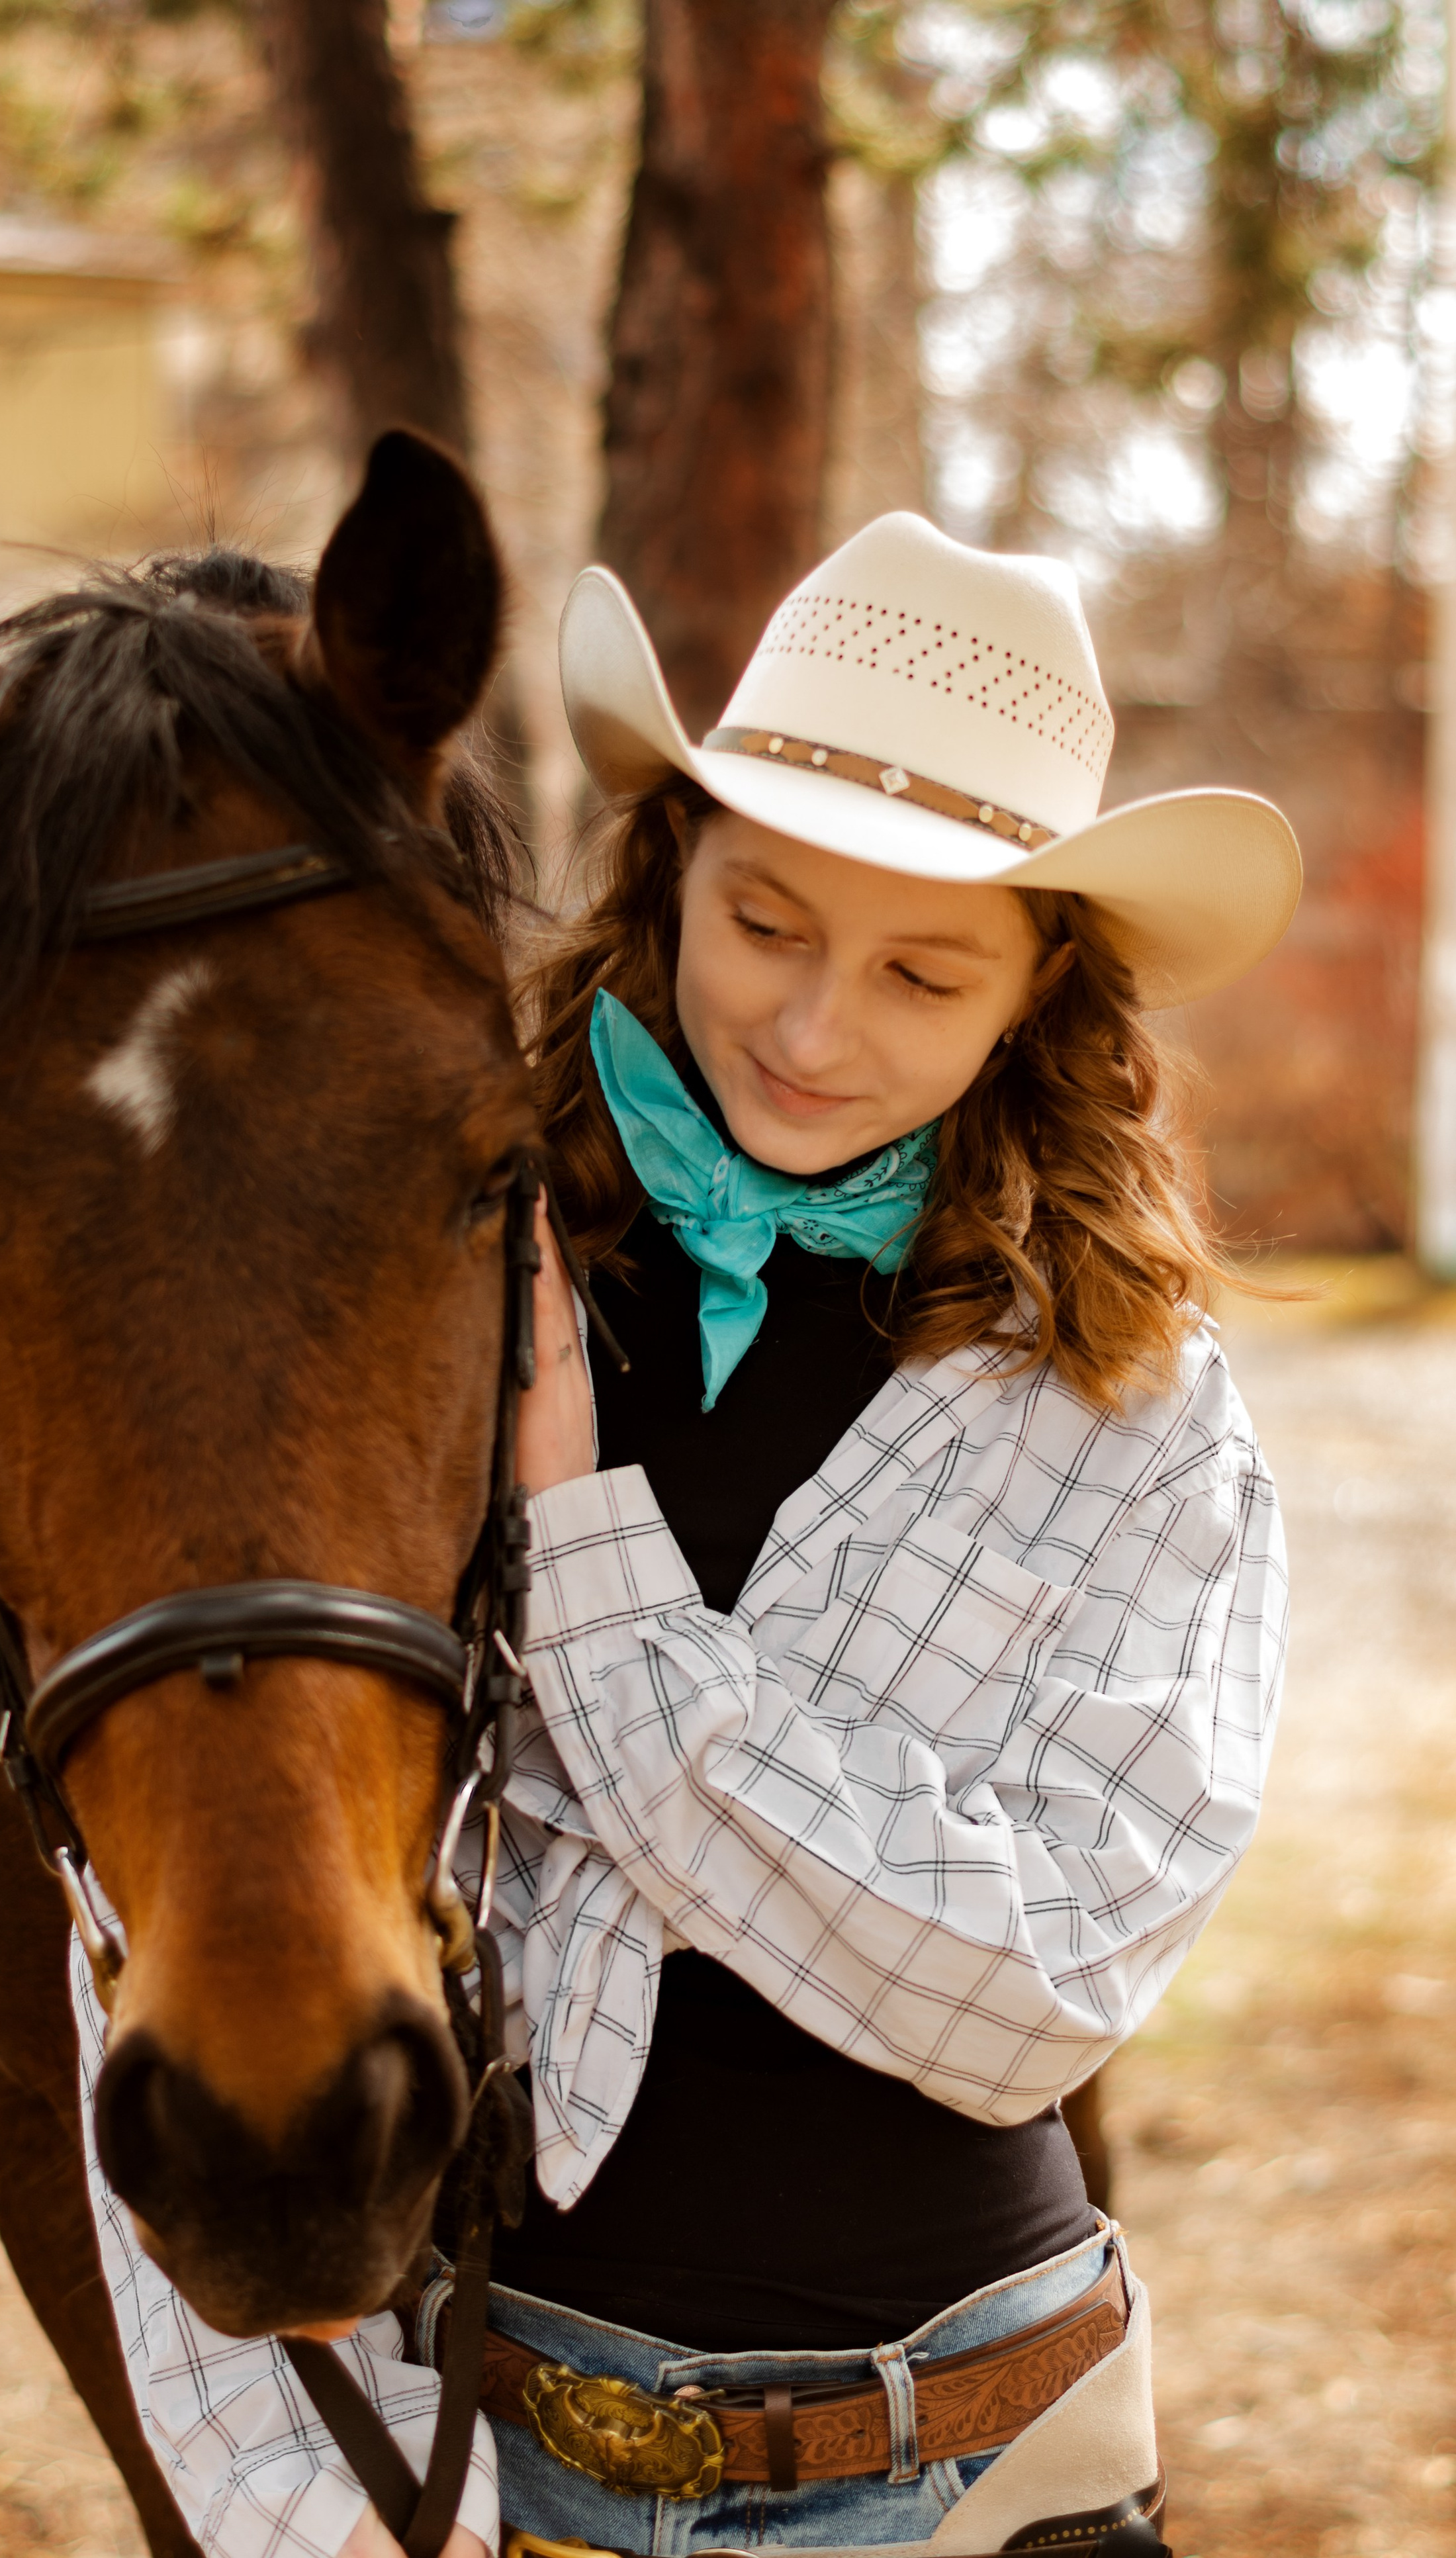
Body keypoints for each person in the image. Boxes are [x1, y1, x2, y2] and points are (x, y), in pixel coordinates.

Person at [72, 512, 1297, 2555]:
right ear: (666, 871)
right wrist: (320, 2519)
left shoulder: (1137, 1409)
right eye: (764, 923)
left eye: (923, 970)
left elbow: (1040, 1983)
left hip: (974, 2482)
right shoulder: (436, 1286)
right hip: (495, 2467)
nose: (814, 1030)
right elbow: (154, 1901)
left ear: (1039, 990)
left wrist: (585, 1557)